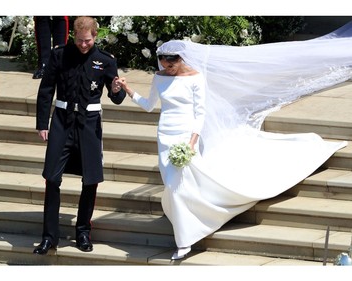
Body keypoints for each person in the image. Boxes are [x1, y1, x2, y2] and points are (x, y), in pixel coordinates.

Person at [117, 22, 352, 260]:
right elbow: (148, 106)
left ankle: (185, 239)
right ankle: (192, 218)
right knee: (172, 183)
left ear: (180, 60)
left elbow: (200, 113)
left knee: (179, 184)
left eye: (171, 66)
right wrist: (128, 90)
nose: (168, 70)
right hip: (164, 136)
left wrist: (192, 142)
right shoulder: (160, 78)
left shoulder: (195, 78)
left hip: (186, 135)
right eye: (164, 66)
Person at [33, 16, 126, 255]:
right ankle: (49, 237)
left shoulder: (105, 60)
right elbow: (46, 90)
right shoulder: (59, 55)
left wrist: (117, 90)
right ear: (73, 35)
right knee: (51, 178)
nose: (83, 45)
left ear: (95, 36)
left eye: (87, 40)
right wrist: (43, 123)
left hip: (89, 124)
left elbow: (115, 96)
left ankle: (83, 232)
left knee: (90, 179)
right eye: (79, 40)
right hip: (62, 121)